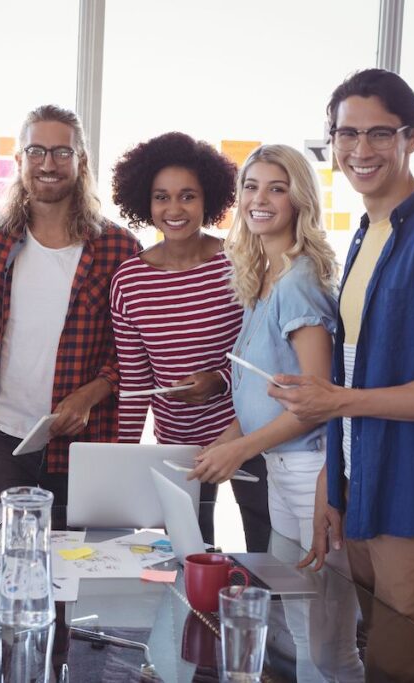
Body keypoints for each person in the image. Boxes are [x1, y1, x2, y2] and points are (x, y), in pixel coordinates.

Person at [270, 69, 414, 681]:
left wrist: (341, 403)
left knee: (398, 668)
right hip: (365, 490)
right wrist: (335, 474)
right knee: (376, 652)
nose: (361, 150)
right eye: (346, 134)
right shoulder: (369, 234)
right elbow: (353, 375)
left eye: (380, 132)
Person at [190, 144, 363, 681]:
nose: (259, 199)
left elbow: (317, 403)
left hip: (311, 472)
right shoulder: (262, 277)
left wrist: (242, 448)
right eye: (251, 186)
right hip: (280, 471)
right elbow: (269, 388)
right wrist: (229, 435)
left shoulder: (300, 282)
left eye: (276, 188)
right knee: (302, 625)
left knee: (329, 643)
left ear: (298, 201)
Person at [0, 104, 141, 519]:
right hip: (2, 438)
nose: (49, 164)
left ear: (81, 162)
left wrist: (89, 396)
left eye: (62, 152)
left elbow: (132, 350)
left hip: (85, 442)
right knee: (0, 562)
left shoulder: (118, 247)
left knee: (86, 563)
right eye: (36, 151)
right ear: (19, 160)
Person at [108, 131, 269, 549]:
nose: (174, 209)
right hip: (176, 444)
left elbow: (267, 358)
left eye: (187, 196)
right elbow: (135, 384)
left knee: (267, 546)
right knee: (190, 554)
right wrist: (126, 462)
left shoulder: (240, 263)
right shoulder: (129, 281)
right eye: (162, 197)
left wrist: (220, 380)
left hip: (245, 431)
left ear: (208, 200)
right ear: (146, 201)